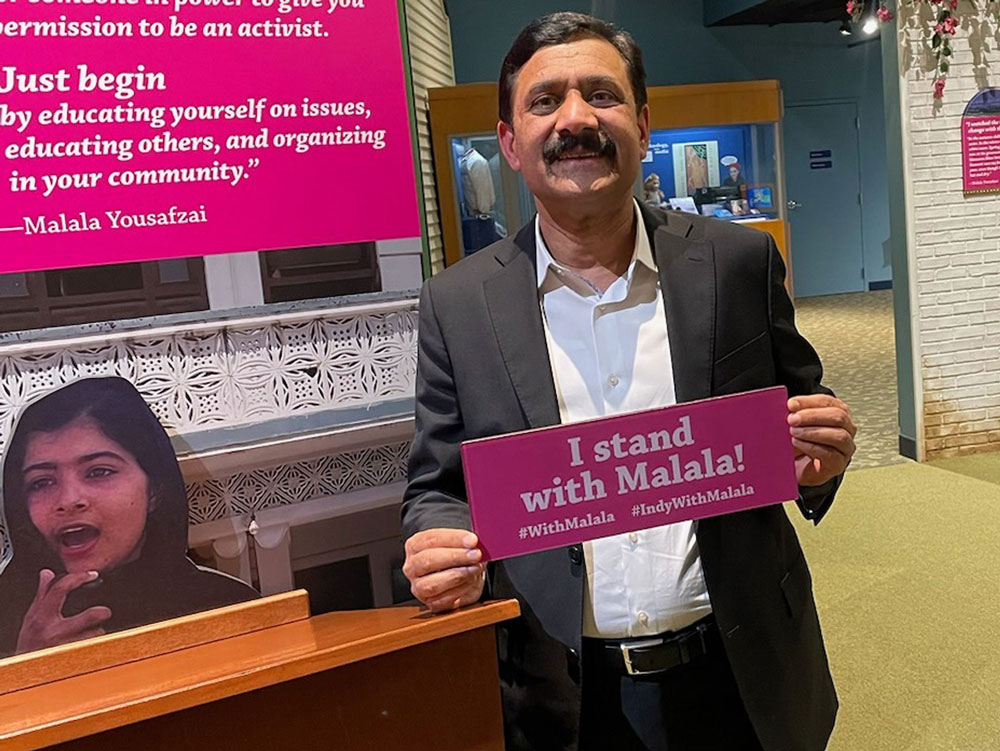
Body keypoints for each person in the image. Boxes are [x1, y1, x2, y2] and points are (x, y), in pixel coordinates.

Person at [401, 12, 856, 751]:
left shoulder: (739, 264)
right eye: (546, 101)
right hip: (570, 695)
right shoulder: (456, 306)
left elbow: (800, 415)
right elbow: (437, 484)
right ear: (511, 144)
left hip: (741, 672)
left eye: (602, 95)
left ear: (642, 124)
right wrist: (435, 539)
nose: (576, 118)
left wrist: (820, 461)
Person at [0, 377, 258, 657]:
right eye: (41, 482)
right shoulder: (7, 616)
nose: (68, 501)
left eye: (99, 471)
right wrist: (26, 663)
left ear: (154, 490)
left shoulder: (226, 607)